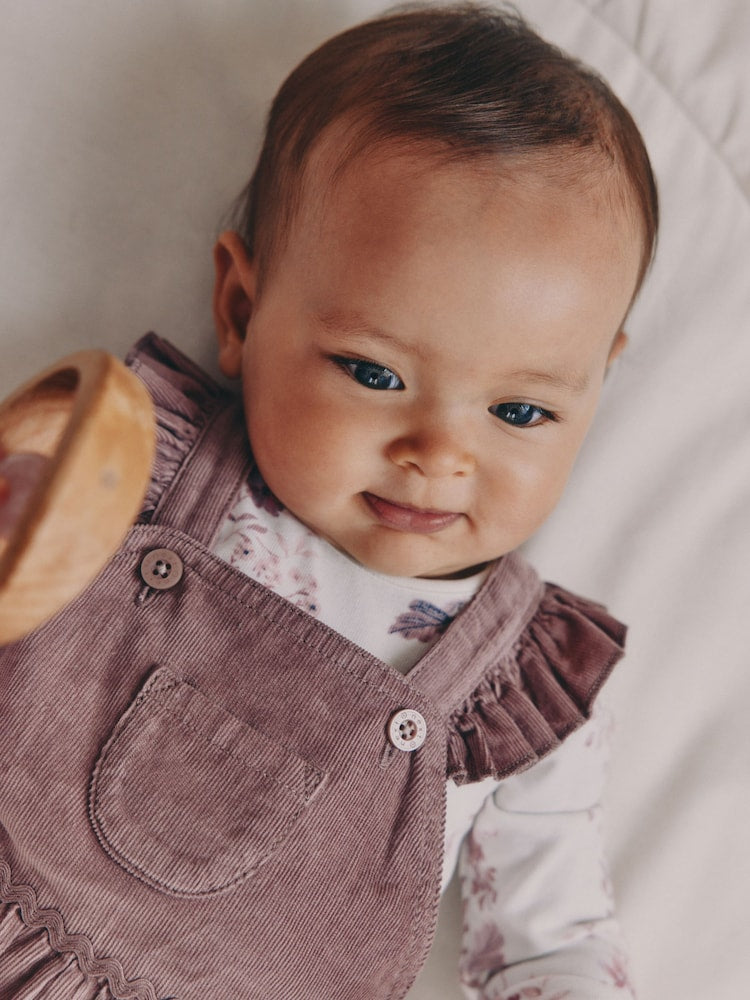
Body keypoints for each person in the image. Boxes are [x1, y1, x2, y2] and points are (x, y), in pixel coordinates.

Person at [0, 4, 657, 998]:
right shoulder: (136, 464)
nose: (438, 452)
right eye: (376, 373)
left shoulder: (517, 702)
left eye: (518, 408)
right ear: (240, 309)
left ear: (597, 388)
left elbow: (547, 938)